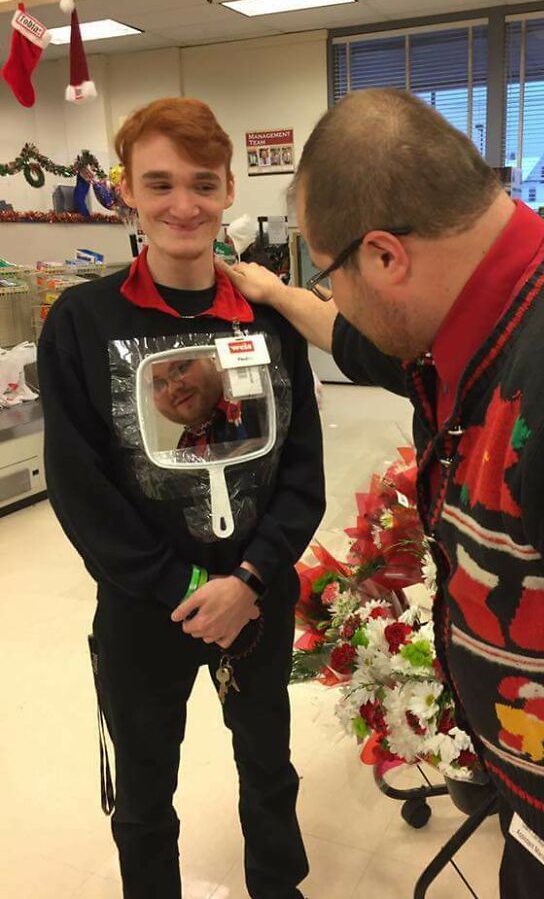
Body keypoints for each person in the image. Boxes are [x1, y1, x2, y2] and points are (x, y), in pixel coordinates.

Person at [223, 88, 544, 897]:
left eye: (326, 271)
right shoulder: (491, 313)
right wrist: (274, 295)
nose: (331, 293)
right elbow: (362, 340)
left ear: (384, 256)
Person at [38, 97, 324, 899]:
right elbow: (80, 486)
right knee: (145, 789)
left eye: (203, 183)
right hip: (145, 606)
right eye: (159, 184)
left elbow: (302, 469)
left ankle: (278, 884)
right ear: (125, 189)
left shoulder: (270, 324)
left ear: (230, 187)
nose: (183, 205)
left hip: (259, 594)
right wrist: (192, 589)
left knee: (268, 762)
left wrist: (252, 578)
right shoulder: (83, 321)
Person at [150, 355, 252, 450]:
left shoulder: (256, 408)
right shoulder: (187, 444)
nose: (174, 389)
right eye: (157, 385)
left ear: (212, 357)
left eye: (182, 368)